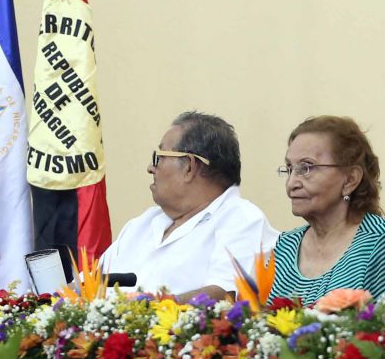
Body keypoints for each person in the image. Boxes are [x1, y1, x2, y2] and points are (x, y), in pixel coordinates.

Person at [99, 112, 275, 294]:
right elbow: (85, 285)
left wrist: (149, 308)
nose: (150, 168)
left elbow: (225, 295)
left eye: (158, 158)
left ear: (189, 167)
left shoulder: (242, 219)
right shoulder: (142, 224)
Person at [266, 116, 385, 303]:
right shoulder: (285, 246)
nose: (291, 183)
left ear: (350, 179)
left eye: (307, 168)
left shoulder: (384, 244)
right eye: (289, 168)